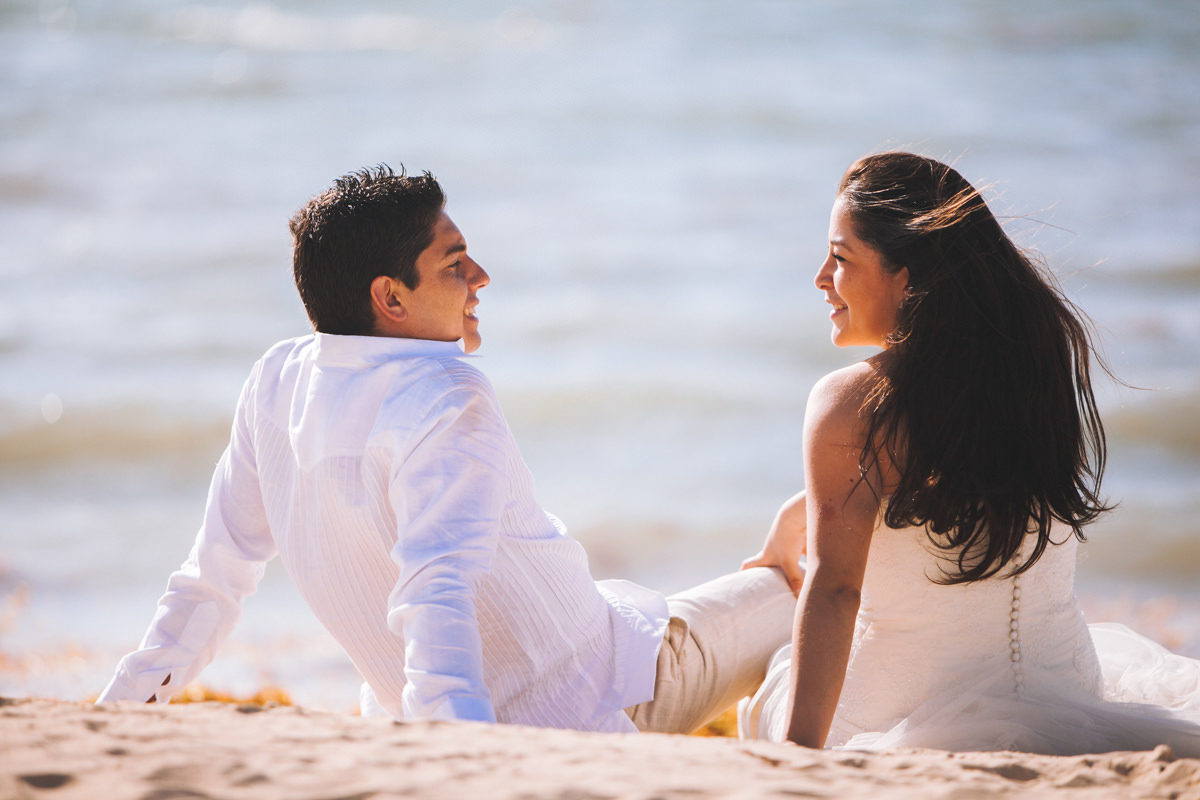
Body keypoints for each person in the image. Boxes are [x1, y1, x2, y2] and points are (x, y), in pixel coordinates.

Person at [97, 165, 795, 734]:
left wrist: (121, 713)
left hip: (592, 637)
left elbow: (213, 576)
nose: (481, 277)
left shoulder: (278, 378)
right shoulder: (444, 395)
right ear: (391, 298)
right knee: (796, 593)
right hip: (610, 699)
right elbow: (436, 592)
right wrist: (467, 751)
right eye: (456, 263)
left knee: (673, 598)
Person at [739, 152, 1200, 755]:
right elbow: (945, 477)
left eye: (840, 257)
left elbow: (834, 589)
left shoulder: (849, 402)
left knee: (769, 618)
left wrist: (795, 757)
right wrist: (801, 512)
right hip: (1069, 694)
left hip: (895, 717)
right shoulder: (1031, 368)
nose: (821, 278)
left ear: (906, 276)